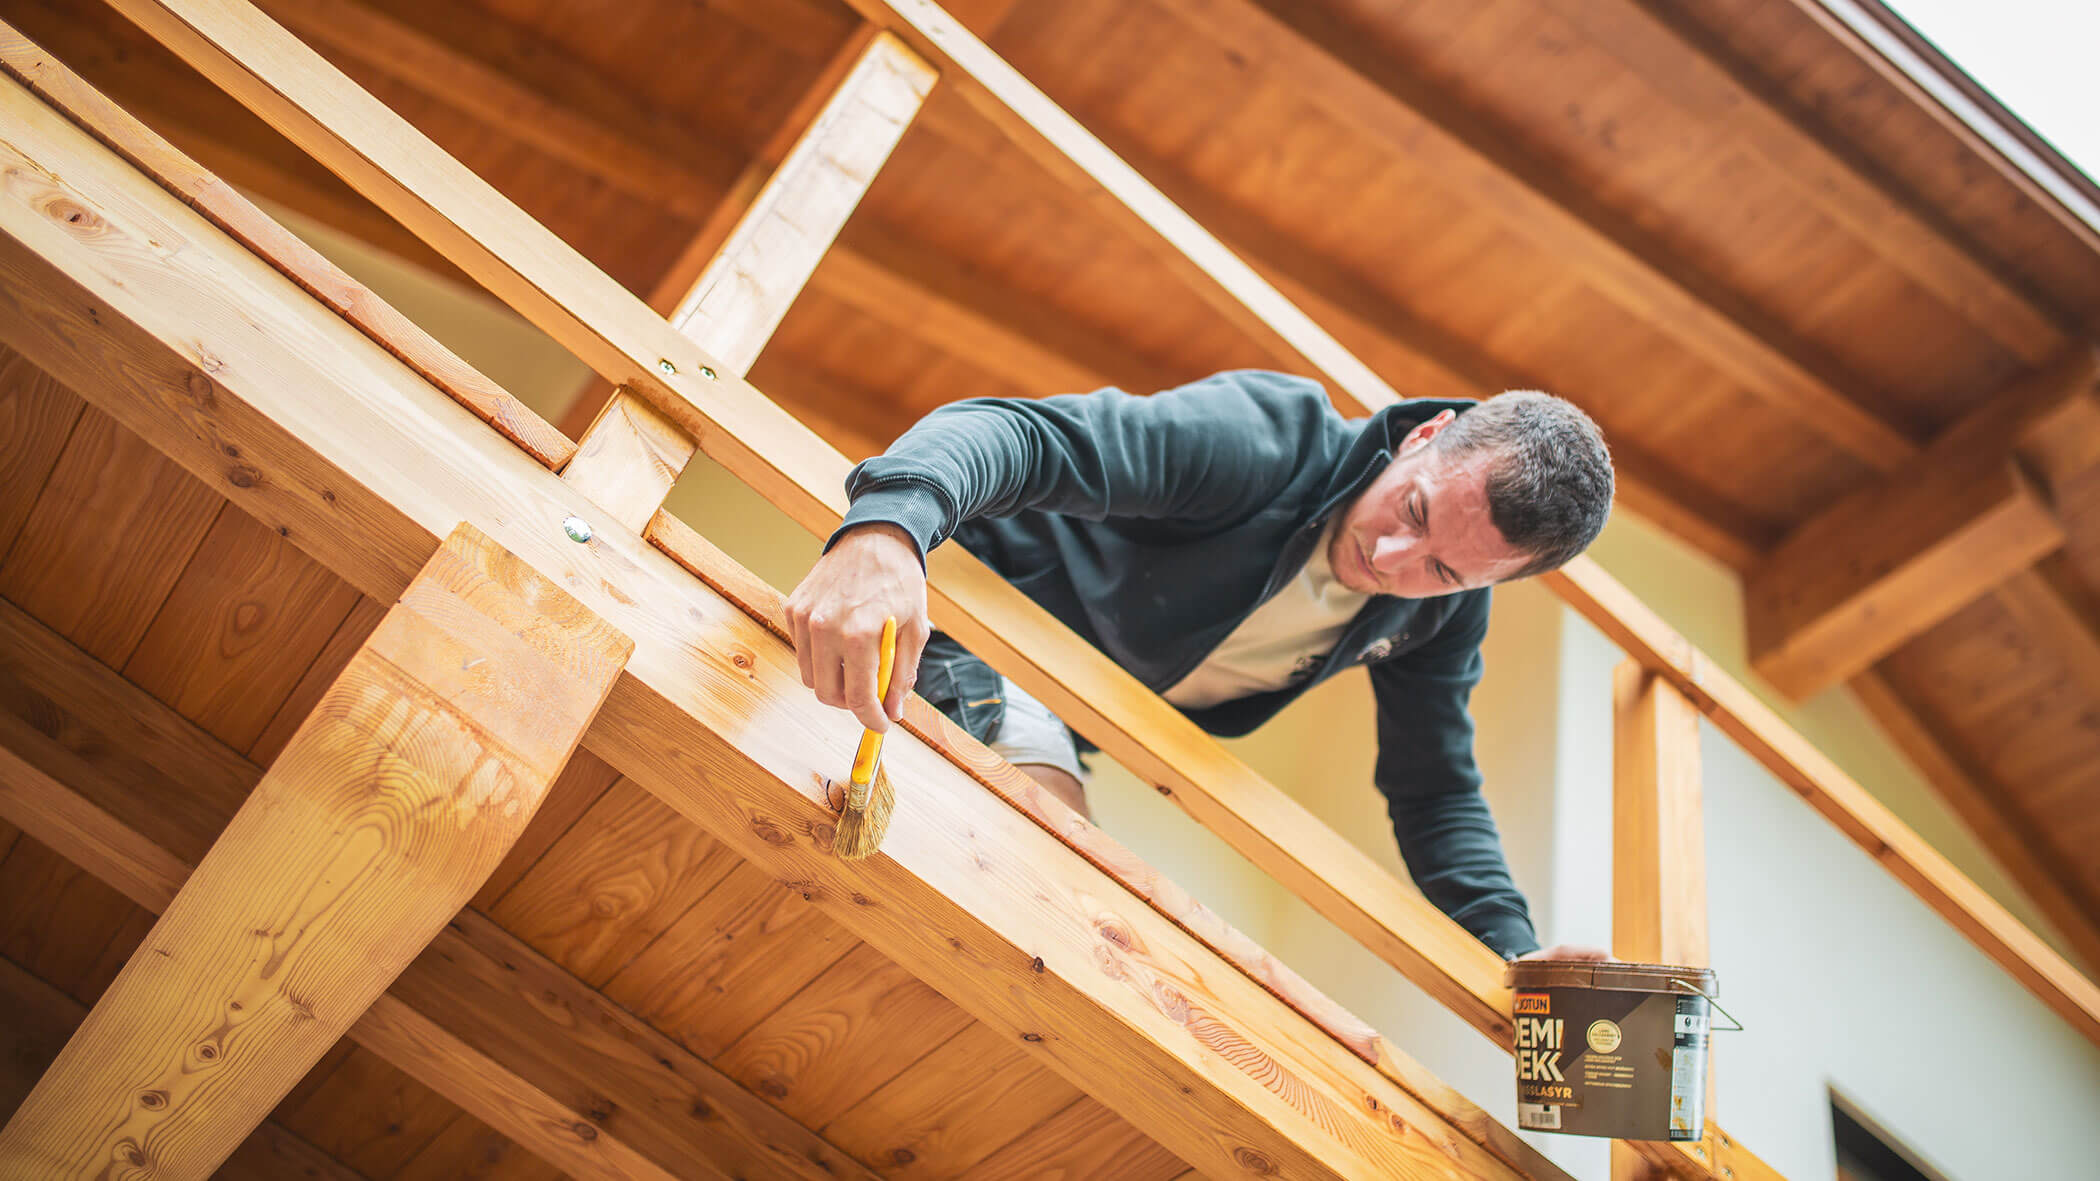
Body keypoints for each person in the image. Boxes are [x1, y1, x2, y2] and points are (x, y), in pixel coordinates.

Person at [785, 370, 1612, 962]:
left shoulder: (1438, 616)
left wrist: (1514, 953)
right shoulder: (1268, 438)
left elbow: (1435, 790)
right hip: (974, 616)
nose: (1392, 559)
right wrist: (889, 529)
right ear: (1424, 436)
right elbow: (1024, 436)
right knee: (1068, 888)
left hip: (1060, 714)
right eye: (1415, 509)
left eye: (1442, 569)